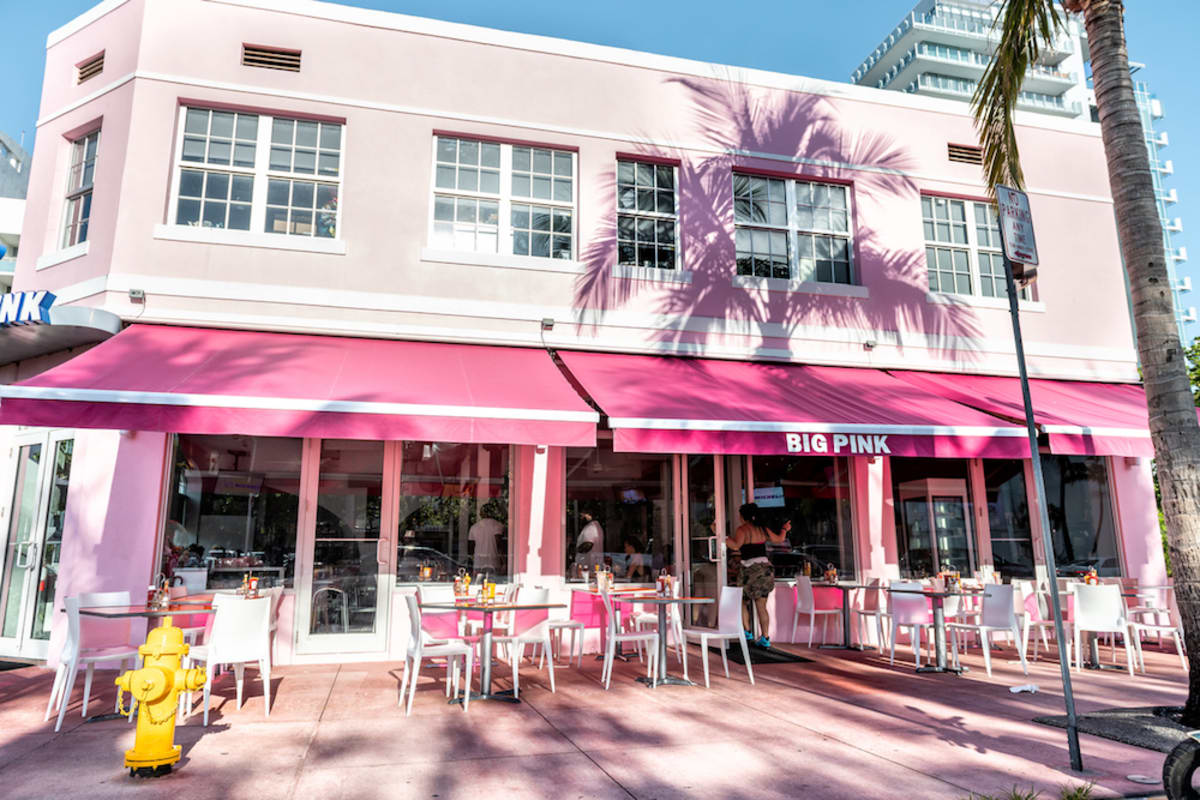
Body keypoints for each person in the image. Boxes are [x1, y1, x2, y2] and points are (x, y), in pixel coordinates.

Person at [727, 503, 787, 648]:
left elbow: (735, 545)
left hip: (749, 569)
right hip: (765, 570)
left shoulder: (742, 530)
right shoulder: (762, 529)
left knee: (742, 601)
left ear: (743, 516)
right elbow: (779, 539)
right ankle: (765, 638)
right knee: (761, 606)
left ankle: (747, 632)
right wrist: (785, 529)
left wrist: (721, 536)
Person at [468, 502, 504, 572]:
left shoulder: (474, 527)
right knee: (493, 583)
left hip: (478, 563)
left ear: (481, 514)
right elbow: (499, 544)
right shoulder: (498, 525)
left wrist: (473, 559)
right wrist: (504, 562)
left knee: (478, 582)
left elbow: (471, 547)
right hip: (494, 562)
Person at [574, 510, 603, 576]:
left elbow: (588, 544)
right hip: (592, 564)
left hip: (589, 565)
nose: (581, 518)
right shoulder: (596, 527)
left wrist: (576, 550)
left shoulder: (591, 527)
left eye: (582, 515)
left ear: (588, 515)